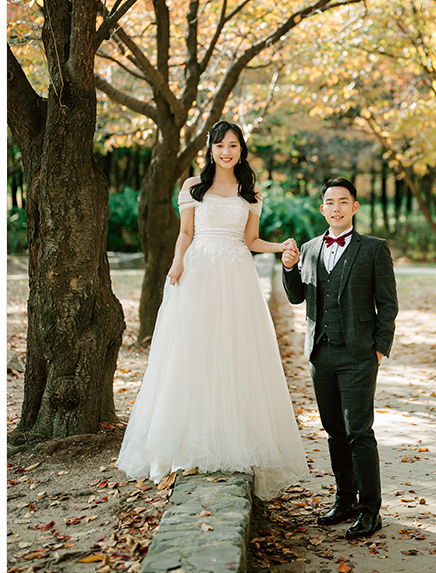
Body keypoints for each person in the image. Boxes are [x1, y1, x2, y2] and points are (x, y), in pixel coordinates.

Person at [117, 121, 308, 499]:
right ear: (210, 148)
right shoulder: (193, 187)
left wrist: (280, 247)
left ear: (242, 149)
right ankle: (186, 443)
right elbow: (185, 231)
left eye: (233, 145)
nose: (226, 151)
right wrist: (177, 261)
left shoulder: (250, 190)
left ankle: (234, 440)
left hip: (236, 273)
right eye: (220, 145)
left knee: (234, 353)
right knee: (193, 351)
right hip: (199, 269)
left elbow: (250, 239)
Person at [282, 177, 398, 541]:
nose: (336, 207)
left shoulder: (374, 249)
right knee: (334, 432)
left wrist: (379, 348)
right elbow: (297, 297)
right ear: (322, 208)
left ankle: (370, 511)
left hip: (359, 354)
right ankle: (345, 500)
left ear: (354, 207)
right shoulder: (310, 248)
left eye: (343, 202)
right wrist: (289, 268)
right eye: (329, 202)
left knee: (358, 432)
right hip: (321, 353)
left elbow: (388, 304)